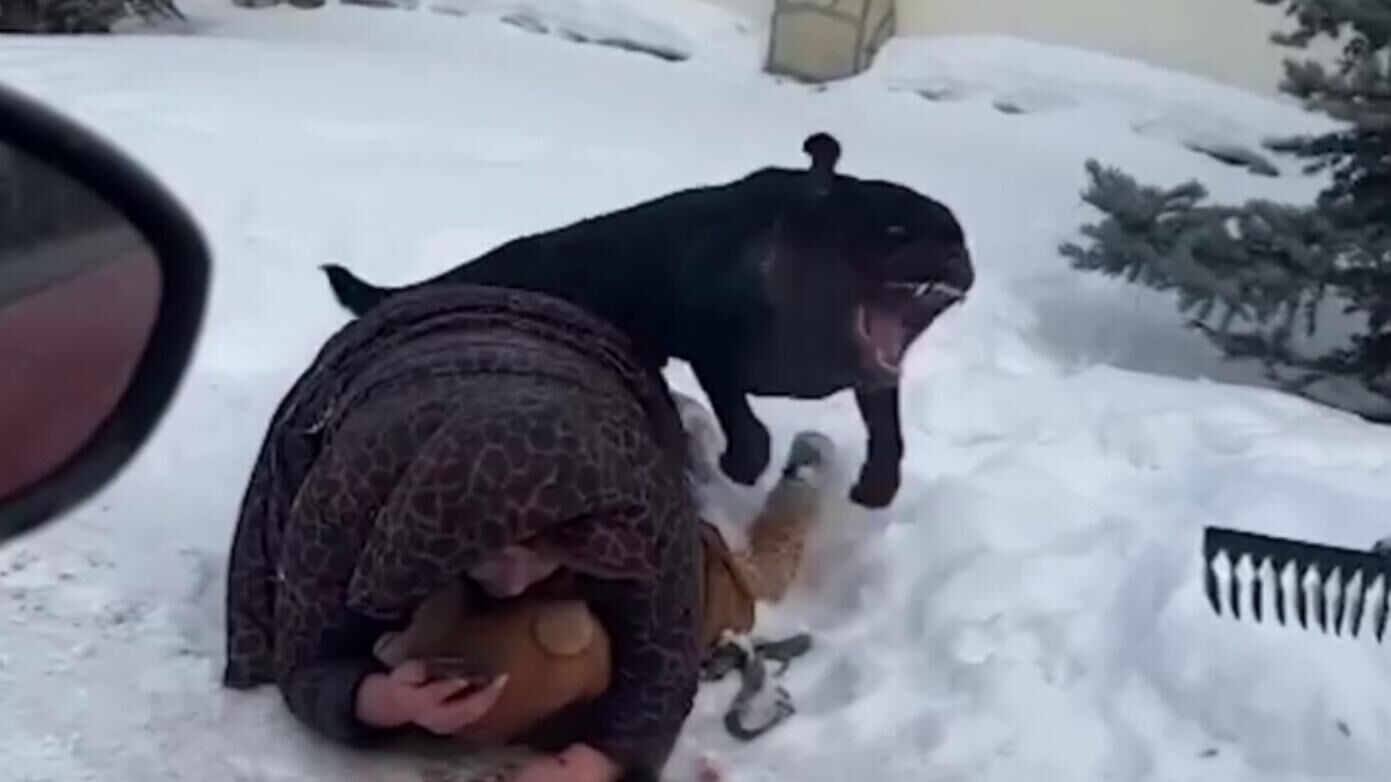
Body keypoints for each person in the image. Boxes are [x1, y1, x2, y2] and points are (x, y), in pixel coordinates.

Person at [222, 283, 707, 782]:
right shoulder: (355, 485)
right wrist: (384, 701)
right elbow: (306, 657)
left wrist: (591, 764)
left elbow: (666, 659)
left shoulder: (628, 486)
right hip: (390, 351)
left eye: (541, 554)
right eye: (496, 555)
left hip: (586, 349)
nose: (515, 584)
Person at [370, 418, 836, 751]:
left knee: (766, 575)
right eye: (494, 560)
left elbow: (655, 664)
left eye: (529, 558)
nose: (511, 582)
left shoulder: (609, 550)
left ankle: (800, 484)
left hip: (693, 571)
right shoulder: (444, 553)